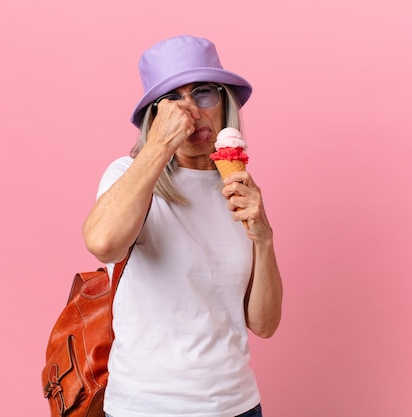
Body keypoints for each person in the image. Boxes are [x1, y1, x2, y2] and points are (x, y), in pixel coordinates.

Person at [82, 35, 283, 417]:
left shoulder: (237, 187)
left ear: (225, 101)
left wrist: (264, 237)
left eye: (204, 92)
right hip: (147, 408)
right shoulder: (128, 176)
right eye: (173, 99)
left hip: (238, 405)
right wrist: (160, 145)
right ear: (156, 118)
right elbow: (103, 242)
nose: (190, 111)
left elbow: (265, 323)